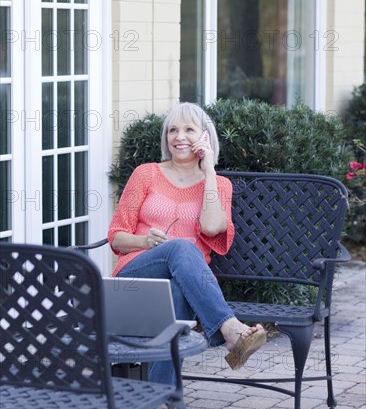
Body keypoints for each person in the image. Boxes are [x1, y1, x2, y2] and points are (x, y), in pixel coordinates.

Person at [107, 102, 266, 384]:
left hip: (181, 284)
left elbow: (211, 227)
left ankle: (150, 402)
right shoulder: (146, 174)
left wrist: (209, 173)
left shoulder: (219, 185)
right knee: (181, 247)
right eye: (172, 130)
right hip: (134, 277)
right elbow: (116, 236)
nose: (179, 137)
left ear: (205, 137)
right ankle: (230, 330)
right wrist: (145, 241)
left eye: (189, 130)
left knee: (178, 294)